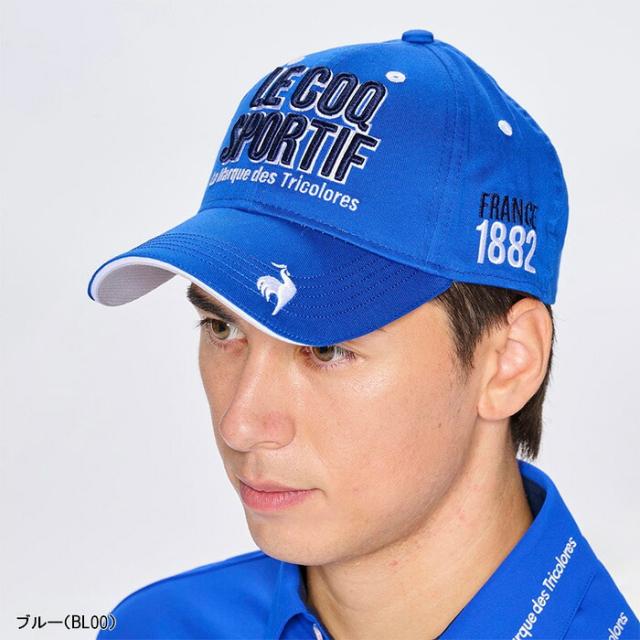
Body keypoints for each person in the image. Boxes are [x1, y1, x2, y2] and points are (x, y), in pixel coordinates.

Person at [87, 28, 638, 640]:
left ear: (509, 361)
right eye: (223, 327)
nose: (239, 424)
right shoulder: (155, 627)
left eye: (325, 348)